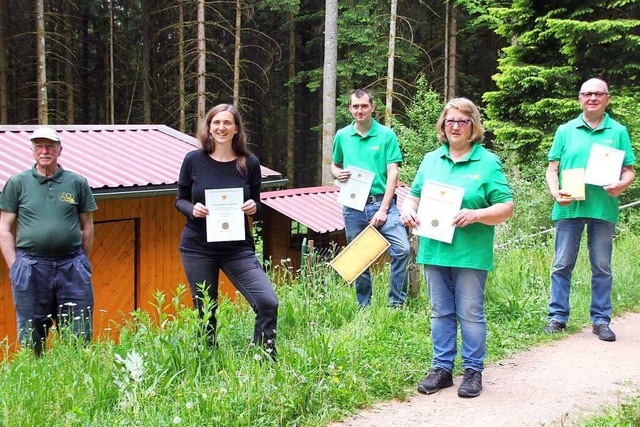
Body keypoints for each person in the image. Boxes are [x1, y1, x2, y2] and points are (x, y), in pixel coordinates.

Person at [400, 98, 514, 398]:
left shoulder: (487, 162)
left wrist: (477, 215)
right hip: (434, 250)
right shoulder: (430, 160)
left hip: (471, 252)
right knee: (440, 312)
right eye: (450, 121)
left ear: (473, 126)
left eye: (462, 121)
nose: (455, 126)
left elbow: (506, 207)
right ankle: (443, 369)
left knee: (471, 313)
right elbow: (413, 195)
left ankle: (473, 371)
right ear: (442, 125)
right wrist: (408, 209)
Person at [176, 103, 278, 358]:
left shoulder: (249, 163)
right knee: (205, 311)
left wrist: (254, 207)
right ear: (209, 128)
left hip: (237, 249)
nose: (221, 128)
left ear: (236, 129)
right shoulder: (193, 160)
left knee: (267, 302)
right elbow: (179, 200)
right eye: (216, 123)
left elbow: (258, 203)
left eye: (227, 123)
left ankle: (264, 356)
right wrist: (193, 209)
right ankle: (207, 360)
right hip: (198, 247)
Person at [543, 78, 636, 342]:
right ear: (580, 99)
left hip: (603, 208)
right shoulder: (565, 130)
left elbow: (629, 171)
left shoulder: (618, 131)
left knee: (602, 266)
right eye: (587, 94)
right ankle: (557, 317)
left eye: (598, 94)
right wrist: (554, 191)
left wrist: (621, 185)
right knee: (561, 264)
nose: (592, 98)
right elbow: (552, 169)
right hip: (568, 207)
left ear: (607, 98)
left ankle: (601, 320)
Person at [0, 127, 98, 356]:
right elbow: (4, 227)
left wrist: (83, 260)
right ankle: (37, 386)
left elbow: (87, 226)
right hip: (31, 267)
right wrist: (14, 266)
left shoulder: (77, 182)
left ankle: (75, 380)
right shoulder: (17, 183)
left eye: (50, 146)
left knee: (78, 332)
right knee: (31, 333)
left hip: (72, 266)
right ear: (32, 151)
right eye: (39, 147)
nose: (44, 151)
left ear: (59, 150)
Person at [331, 89, 411, 307]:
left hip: (382, 203)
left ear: (373, 107)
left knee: (402, 250)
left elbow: (393, 172)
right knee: (359, 258)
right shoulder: (342, 135)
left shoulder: (386, 135)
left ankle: (396, 304)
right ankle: (363, 306)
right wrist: (337, 173)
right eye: (355, 106)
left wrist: (383, 210)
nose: (360, 110)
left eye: (364, 106)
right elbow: (334, 164)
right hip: (353, 205)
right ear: (349, 109)